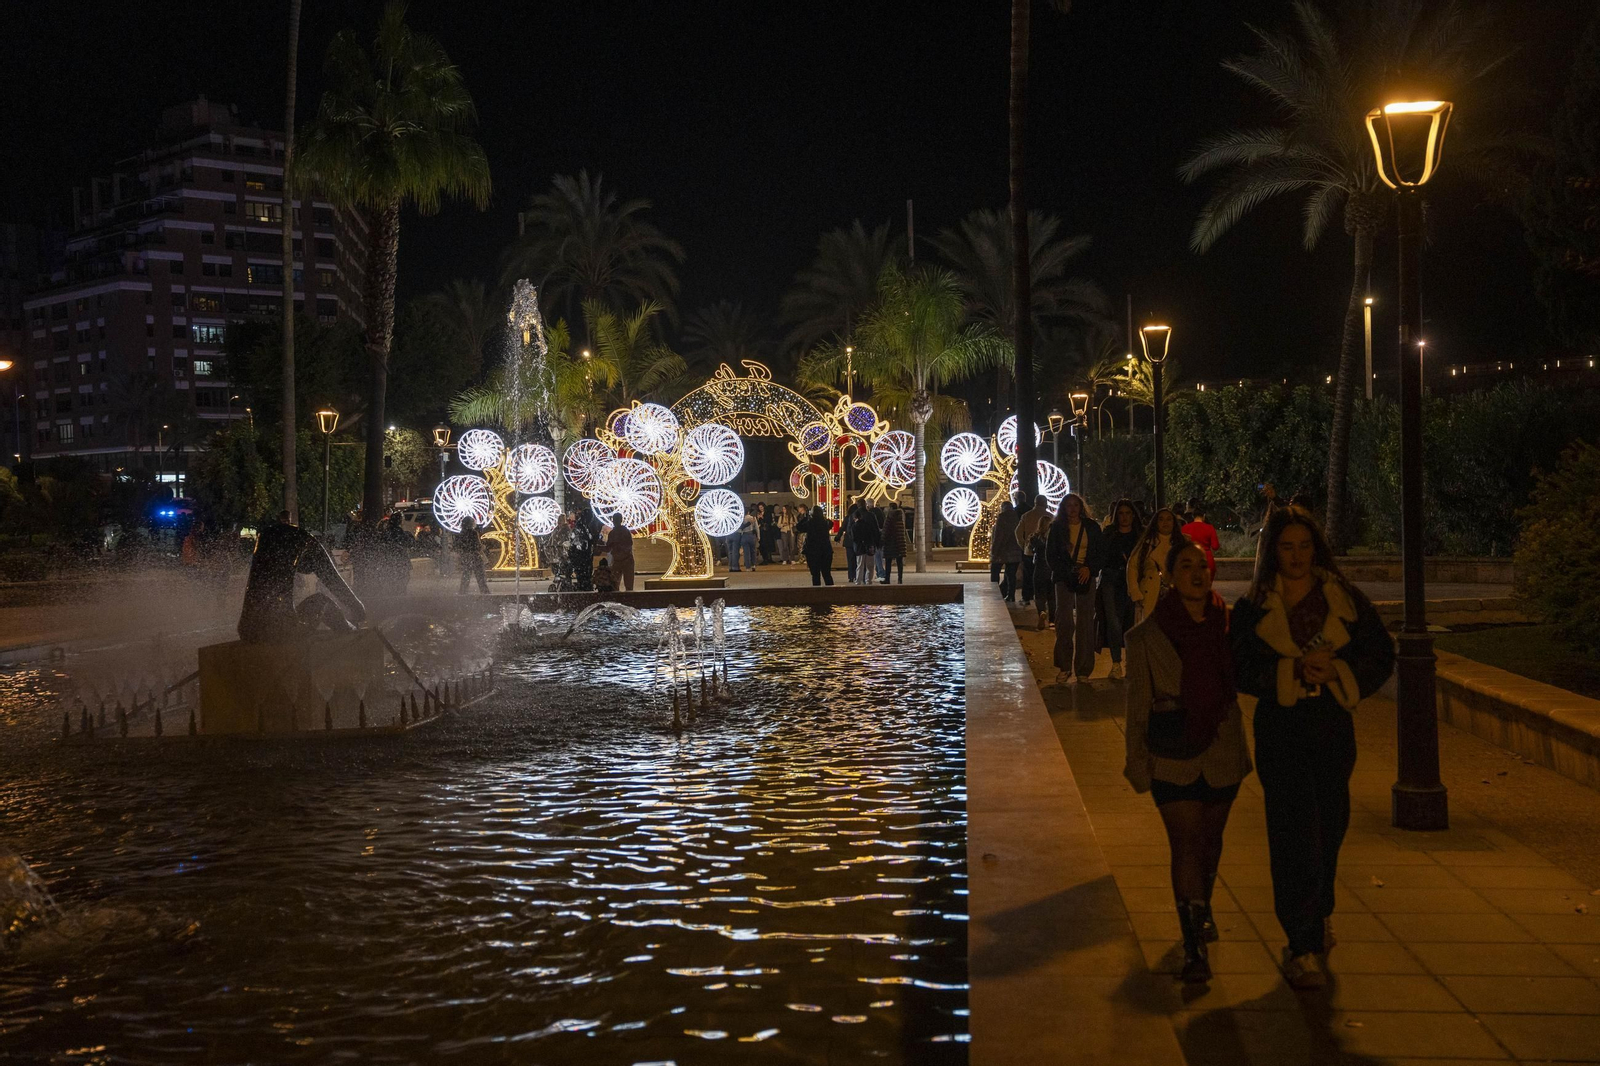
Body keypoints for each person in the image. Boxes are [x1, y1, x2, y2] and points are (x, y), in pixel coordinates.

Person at [1230, 507, 1395, 990]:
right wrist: (1290, 673)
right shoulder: (1254, 607)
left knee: (1331, 823)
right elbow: (1238, 665)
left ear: (1315, 549)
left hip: (1330, 725)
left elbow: (1380, 654)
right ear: (1272, 551)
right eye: (1287, 546)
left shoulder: (1344, 600)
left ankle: (1319, 909)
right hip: (1281, 728)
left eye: (1304, 546)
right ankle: (1301, 940)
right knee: (1291, 830)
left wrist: (1342, 674)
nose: (1297, 556)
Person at [1124, 541, 1252, 984]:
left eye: (1204, 566)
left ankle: (1204, 905)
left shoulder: (1230, 627)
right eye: (1187, 566)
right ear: (1170, 576)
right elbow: (1137, 706)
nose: (1197, 573)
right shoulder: (1145, 637)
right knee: (1186, 842)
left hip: (1221, 749)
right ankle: (1193, 942)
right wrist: (1136, 759)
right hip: (1171, 753)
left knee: (1211, 841)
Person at [1046, 493, 1105, 684]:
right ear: (1063, 508)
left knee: (1085, 622)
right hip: (1064, 577)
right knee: (1064, 621)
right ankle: (1064, 666)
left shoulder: (1092, 527)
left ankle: (1083, 669)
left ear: (1081, 508)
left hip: (1085, 575)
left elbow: (1099, 553)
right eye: (1068, 505)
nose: (1072, 509)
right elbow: (1051, 556)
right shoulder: (1056, 528)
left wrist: (1090, 568)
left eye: (1075, 505)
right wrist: (1065, 571)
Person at [1100, 499, 1142, 679]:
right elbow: (1101, 555)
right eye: (1121, 513)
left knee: (1130, 623)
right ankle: (1116, 662)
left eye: (1128, 513)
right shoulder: (1109, 533)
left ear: (1133, 515)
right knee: (1114, 623)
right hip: (1111, 579)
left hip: (1132, 582)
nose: (1124, 517)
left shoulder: (1140, 535)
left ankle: (1129, 661)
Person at [1128, 507, 1187, 623]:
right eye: (1161, 519)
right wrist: (1135, 592)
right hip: (1149, 594)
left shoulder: (1183, 544)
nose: (1165, 522)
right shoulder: (1146, 544)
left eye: (1169, 519)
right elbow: (1132, 566)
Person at [1014, 493, 1052, 609]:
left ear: (1035, 503)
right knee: (1045, 577)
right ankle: (1044, 599)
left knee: (1028, 575)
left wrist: (1023, 544)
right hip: (1045, 552)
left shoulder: (1026, 516)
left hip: (1029, 551)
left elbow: (1018, 532)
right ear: (1045, 503)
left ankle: (1026, 597)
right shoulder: (1050, 516)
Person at [990, 498, 1023, 603]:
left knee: (995, 571)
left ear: (1002, 508)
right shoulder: (1017, 517)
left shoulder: (1002, 517)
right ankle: (1011, 595)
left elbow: (999, 536)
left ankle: (995, 594)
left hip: (1003, 551)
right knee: (1011, 575)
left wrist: (994, 552)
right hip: (1016, 551)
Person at [1181, 499, 1220, 577]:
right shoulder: (1209, 528)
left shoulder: (1185, 528)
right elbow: (1215, 546)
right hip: (1207, 559)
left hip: (1191, 559)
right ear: (1204, 516)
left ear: (1193, 516)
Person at [599, 513, 636, 591]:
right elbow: (629, 545)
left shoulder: (613, 533)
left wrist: (599, 548)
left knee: (615, 586)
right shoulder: (625, 531)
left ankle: (618, 600)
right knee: (628, 586)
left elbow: (609, 548)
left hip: (620, 560)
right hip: (626, 560)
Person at [801, 505, 835, 586]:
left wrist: (806, 517)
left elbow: (799, 527)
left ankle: (817, 593)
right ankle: (832, 593)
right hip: (825, 550)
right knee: (827, 574)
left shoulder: (810, 522)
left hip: (812, 551)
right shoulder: (825, 522)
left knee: (815, 574)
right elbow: (831, 523)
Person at [851, 501, 881, 585]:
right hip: (869, 545)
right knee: (870, 565)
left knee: (860, 565)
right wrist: (876, 543)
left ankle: (858, 581)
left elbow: (853, 537)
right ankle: (868, 581)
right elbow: (875, 531)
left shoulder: (854, 526)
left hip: (860, 547)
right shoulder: (871, 517)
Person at [456, 516, 489, 594]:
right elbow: (477, 545)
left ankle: (463, 591)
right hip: (475, 556)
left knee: (466, 575)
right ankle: (484, 592)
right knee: (480, 576)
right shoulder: (473, 532)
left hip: (466, 556)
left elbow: (459, 546)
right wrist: (483, 547)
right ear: (471, 523)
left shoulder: (461, 533)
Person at [566, 511, 595, 591]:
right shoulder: (580, 528)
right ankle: (583, 590)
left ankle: (584, 588)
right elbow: (580, 544)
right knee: (583, 577)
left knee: (584, 577)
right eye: (590, 518)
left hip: (583, 558)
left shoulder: (584, 527)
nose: (591, 520)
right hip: (582, 558)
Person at [881, 501, 908, 584]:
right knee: (899, 562)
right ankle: (900, 579)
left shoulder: (889, 518)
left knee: (888, 562)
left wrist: (882, 540)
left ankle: (887, 578)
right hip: (900, 542)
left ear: (890, 508)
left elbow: (885, 531)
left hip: (890, 542)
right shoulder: (900, 518)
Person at [838, 502, 860, 582]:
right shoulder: (859, 518)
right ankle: (858, 575)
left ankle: (851, 576)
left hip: (848, 541)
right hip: (858, 541)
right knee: (858, 560)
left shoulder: (847, 518)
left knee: (850, 560)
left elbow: (842, 528)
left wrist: (838, 537)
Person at [732, 508, 759, 572]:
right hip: (751, 535)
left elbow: (740, 529)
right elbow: (757, 528)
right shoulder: (753, 518)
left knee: (746, 552)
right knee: (753, 551)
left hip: (744, 535)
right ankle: (753, 565)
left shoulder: (742, 519)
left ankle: (747, 567)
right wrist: (758, 536)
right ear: (748, 512)